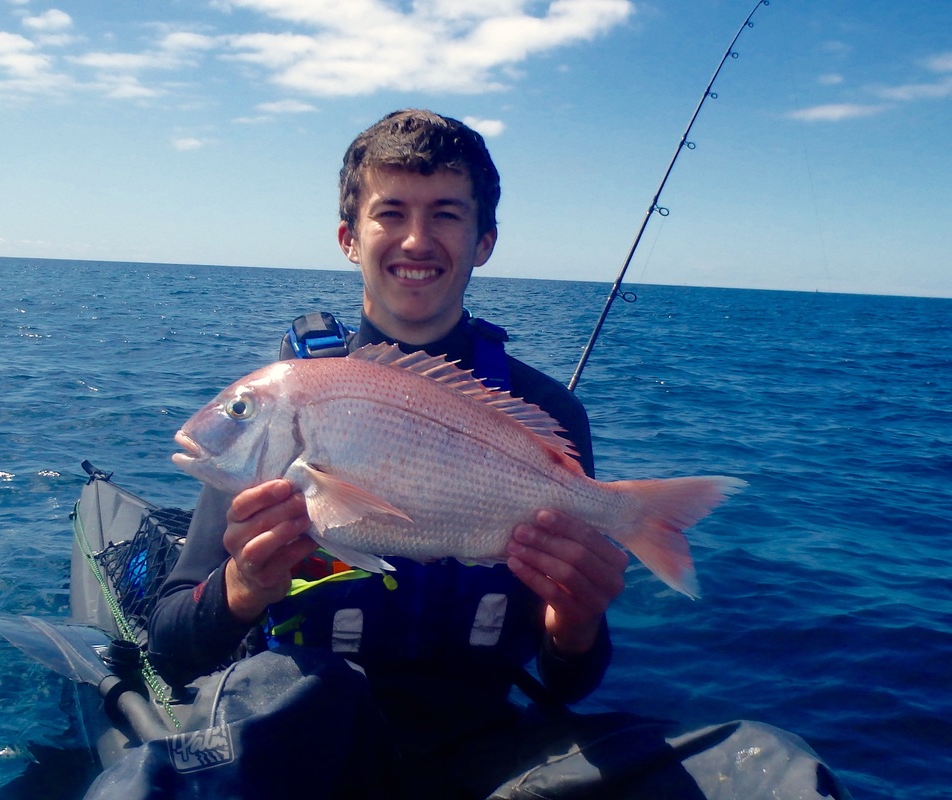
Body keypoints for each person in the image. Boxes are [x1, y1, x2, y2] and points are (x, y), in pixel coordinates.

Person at [143, 110, 851, 800]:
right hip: (310, 734)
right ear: (349, 238)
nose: (417, 239)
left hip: (487, 746)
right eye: (391, 213)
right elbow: (171, 644)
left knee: (773, 768)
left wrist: (575, 622)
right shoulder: (287, 407)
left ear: (484, 240)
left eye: (446, 214)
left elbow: (570, 680)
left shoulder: (548, 417)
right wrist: (243, 586)